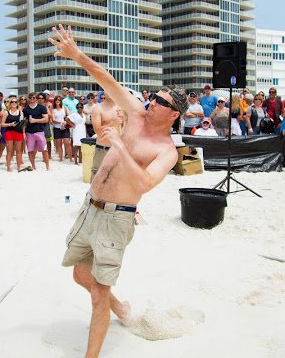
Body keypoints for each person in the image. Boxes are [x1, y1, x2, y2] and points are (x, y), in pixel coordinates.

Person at [50, 24, 188, 358]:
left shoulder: (167, 150)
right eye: (153, 97)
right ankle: (123, 310)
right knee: (81, 274)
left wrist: (118, 144)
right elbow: (106, 78)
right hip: (90, 207)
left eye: (160, 101)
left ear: (174, 114)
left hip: (116, 218)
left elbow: (143, 184)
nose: (151, 101)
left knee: (98, 293)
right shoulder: (137, 114)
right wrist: (76, 54)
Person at [90, 91, 123, 181]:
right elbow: (98, 131)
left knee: (116, 183)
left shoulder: (121, 108)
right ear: (104, 92)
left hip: (118, 149)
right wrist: (113, 123)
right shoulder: (98, 109)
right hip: (102, 149)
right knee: (97, 182)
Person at [23, 92, 51, 171]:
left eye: (34, 97)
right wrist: (23, 133)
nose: (32, 99)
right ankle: (33, 166)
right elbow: (24, 122)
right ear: (28, 98)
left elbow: (46, 119)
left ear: (36, 99)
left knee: (44, 150)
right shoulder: (25, 109)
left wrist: (35, 120)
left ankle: (47, 166)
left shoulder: (41, 107)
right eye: (31, 97)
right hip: (29, 132)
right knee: (30, 150)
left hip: (39, 131)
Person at [0, 95, 27, 172]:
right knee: (9, 151)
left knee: (18, 151)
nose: (14, 103)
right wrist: (9, 124)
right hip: (9, 132)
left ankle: (18, 166)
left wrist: (24, 133)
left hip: (18, 132)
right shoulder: (6, 113)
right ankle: (8, 166)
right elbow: (2, 124)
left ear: (17, 103)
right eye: (12, 102)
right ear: (10, 103)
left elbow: (23, 124)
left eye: (15, 102)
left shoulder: (21, 113)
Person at [51, 96, 72, 162]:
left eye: (59, 100)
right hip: (56, 128)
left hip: (65, 128)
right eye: (56, 100)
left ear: (61, 101)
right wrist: (61, 122)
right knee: (59, 144)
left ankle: (71, 158)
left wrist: (65, 122)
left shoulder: (65, 108)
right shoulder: (53, 110)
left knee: (67, 143)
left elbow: (70, 116)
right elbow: (53, 119)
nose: (58, 101)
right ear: (54, 101)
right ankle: (60, 158)